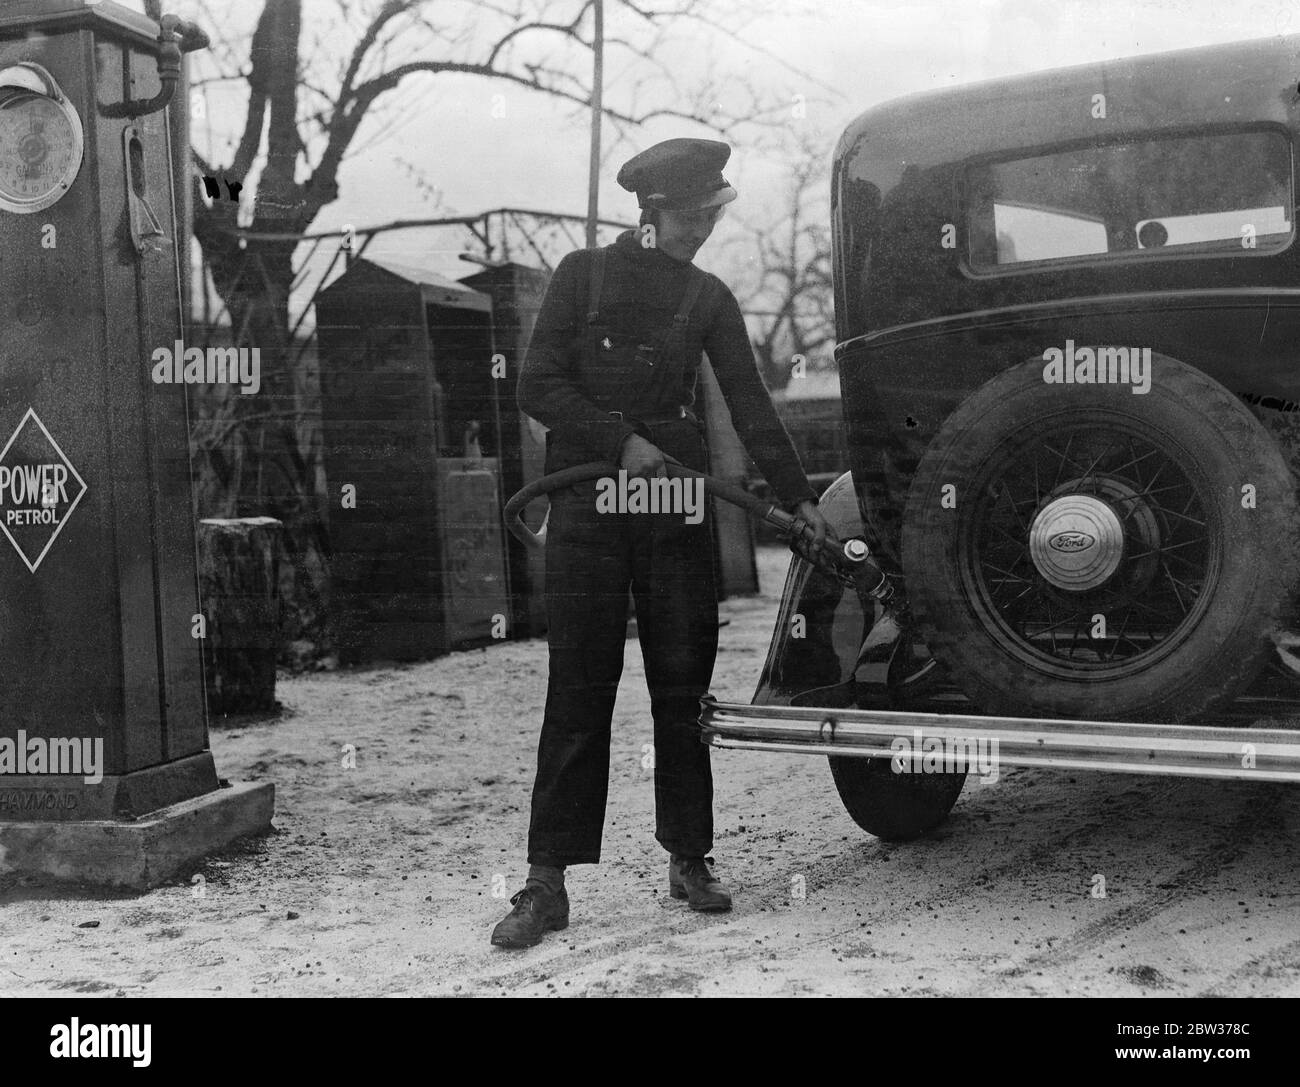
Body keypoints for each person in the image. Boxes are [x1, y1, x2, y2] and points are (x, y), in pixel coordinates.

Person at [492, 137, 829, 949]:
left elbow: (750, 405)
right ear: (649, 212)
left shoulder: (709, 297)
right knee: (578, 687)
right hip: (588, 508)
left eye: (709, 215)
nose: (700, 230)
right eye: (687, 217)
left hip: (676, 511)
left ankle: (689, 856)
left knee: (684, 686)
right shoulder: (583, 276)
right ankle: (547, 880)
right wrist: (620, 441)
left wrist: (800, 498)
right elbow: (537, 384)